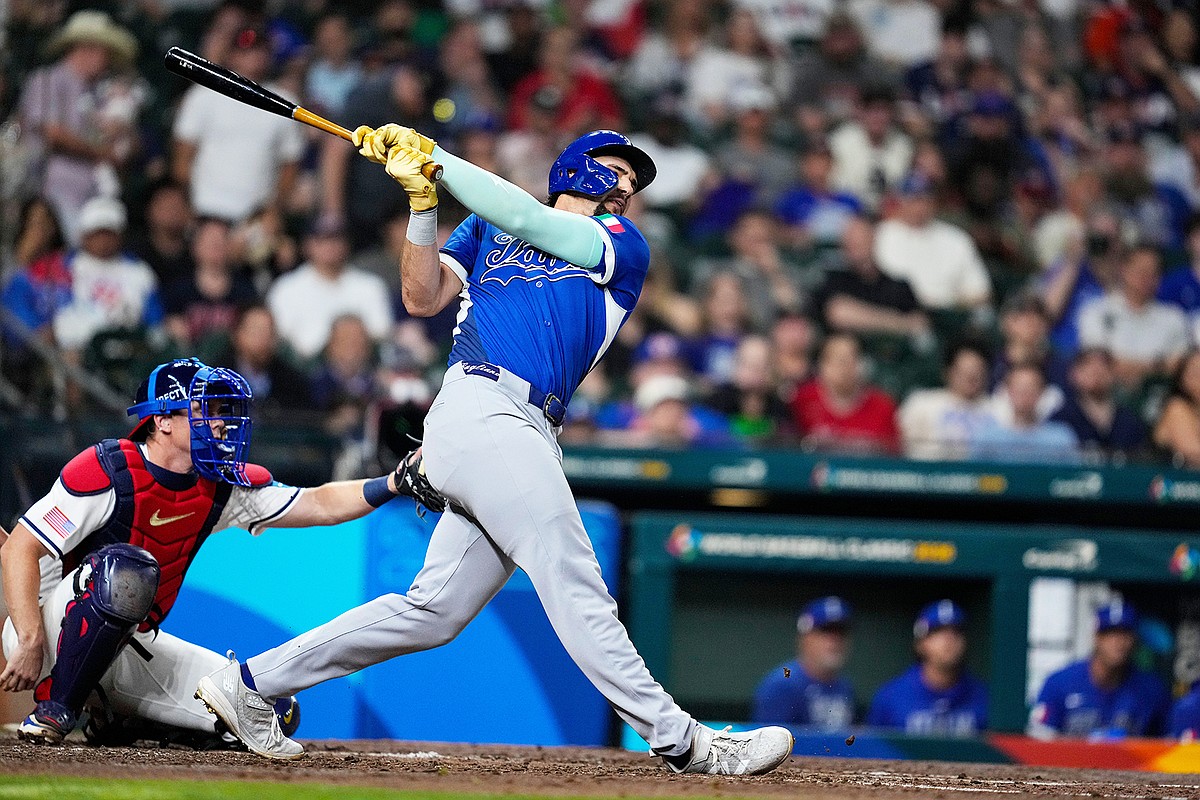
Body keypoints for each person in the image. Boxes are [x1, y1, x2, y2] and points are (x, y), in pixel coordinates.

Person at [195, 127, 795, 774]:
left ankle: (251, 683)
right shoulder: (485, 230)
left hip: (524, 427)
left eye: (634, 179)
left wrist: (439, 158)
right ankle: (685, 742)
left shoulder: (621, 245)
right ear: (578, 167)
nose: (626, 185)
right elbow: (421, 296)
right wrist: (423, 205)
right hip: (481, 409)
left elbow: (525, 215)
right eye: (617, 169)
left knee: (431, 612)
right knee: (573, 579)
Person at [0, 358, 434, 747]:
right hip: (45, 632)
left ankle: (118, 717)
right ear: (164, 421)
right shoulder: (107, 469)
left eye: (224, 411)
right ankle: (53, 711)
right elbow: (20, 546)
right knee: (125, 569)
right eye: (207, 410)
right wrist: (30, 638)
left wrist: (393, 481)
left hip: (127, 646)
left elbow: (318, 503)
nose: (223, 423)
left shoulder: (219, 486)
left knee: (267, 711)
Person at [17, 10, 138, 242]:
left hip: (94, 195)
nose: (108, 60)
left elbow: (125, 141)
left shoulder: (103, 91)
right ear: (87, 49)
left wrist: (124, 134)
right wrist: (104, 153)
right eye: (106, 52)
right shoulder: (47, 80)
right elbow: (52, 133)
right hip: (53, 192)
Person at [171, 26, 303, 223]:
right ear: (231, 54)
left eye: (262, 49)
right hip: (205, 211)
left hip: (256, 217)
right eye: (247, 49)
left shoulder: (284, 102)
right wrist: (186, 206)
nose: (255, 55)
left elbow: (290, 165)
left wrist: (274, 210)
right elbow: (182, 159)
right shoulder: (202, 96)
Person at [1028, 600, 1170, 739]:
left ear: (1135, 639)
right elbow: (1039, 740)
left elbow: (1167, 744)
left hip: (1130, 762)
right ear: (1096, 637)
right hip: (1071, 762)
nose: (1118, 641)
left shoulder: (1151, 689)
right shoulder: (1059, 683)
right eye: (1110, 633)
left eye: (1125, 633)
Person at [265, 218, 393, 362]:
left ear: (347, 244)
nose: (330, 246)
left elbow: (381, 333)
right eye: (322, 240)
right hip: (304, 369)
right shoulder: (286, 288)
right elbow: (280, 339)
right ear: (308, 244)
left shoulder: (370, 285)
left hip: (361, 368)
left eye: (336, 239)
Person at [873, 172, 992, 312]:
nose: (920, 206)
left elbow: (982, 292)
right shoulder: (881, 235)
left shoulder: (956, 238)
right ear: (900, 201)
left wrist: (949, 304)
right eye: (914, 199)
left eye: (925, 199)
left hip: (949, 314)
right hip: (899, 313)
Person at [867, 600, 988, 736]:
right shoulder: (890, 698)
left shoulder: (983, 697)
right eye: (938, 631)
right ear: (920, 644)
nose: (949, 639)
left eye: (956, 631)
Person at [1077, 245, 1190, 391]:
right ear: (1124, 270)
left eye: (1153, 273)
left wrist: (1125, 366)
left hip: (1159, 396)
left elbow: (1180, 367)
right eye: (1141, 271)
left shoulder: (1174, 318)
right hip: (1109, 395)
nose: (1146, 278)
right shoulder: (1096, 312)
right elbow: (1097, 363)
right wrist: (1157, 366)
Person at [751, 596, 855, 729]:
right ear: (805, 638)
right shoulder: (781, 685)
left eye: (841, 632)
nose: (834, 641)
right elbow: (770, 746)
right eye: (825, 630)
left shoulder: (845, 686)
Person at [791, 332, 901, 455]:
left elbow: (893, 456)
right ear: (822, 365)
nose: (843, 367)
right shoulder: (801, 400)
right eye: (837, 360)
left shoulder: (883, 406)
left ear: (862, 365)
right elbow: (769, 430)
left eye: (851, 359)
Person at [898, 340, 995, 461]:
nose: (971, 378)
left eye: (977, 372)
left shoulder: (998, 408)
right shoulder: (921, 403)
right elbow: (902, 445)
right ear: (948, 372)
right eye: (964, 372)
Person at [968, 363, 1080, 464]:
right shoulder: (987, 437)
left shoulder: (1061, 438)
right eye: (1018, 388)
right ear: (1007, 391)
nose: (1024, 394)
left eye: (1030, 388)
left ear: (1042, 392)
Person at [1049, 348, 1148, 462]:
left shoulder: (1129, 421)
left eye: (1103, 366)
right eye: (1088, 366)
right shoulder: (1061, 419)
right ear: (1074, 374)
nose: (1096, 371)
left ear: (1113, 374)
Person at [1153, 348, 1200, 469]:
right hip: (1170, 481)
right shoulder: (1176, 407)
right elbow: (1192, 453)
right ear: (1182, 380)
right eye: (1195, 373)